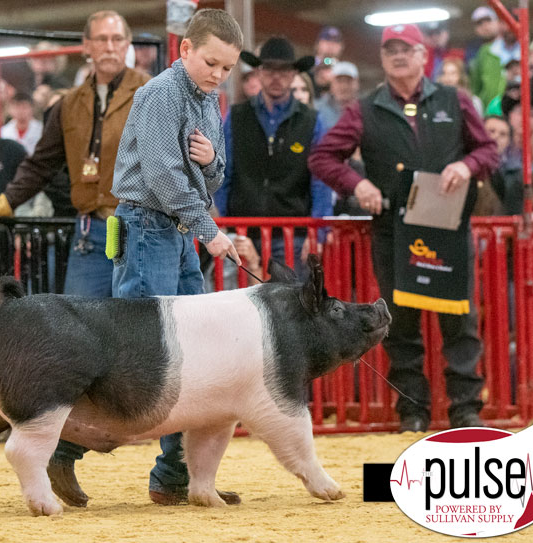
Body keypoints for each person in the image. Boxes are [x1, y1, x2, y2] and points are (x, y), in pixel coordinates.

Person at [0, 10, 150, 504]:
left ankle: (173, 469)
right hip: (90, 233)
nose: (110, 46)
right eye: (102, 39)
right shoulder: (68, 104)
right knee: (69, 352)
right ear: (85, 46)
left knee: (152, 346)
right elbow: (42, 161)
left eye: (119, 38)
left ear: (128, 45)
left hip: (141, 229)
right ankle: (63, 457)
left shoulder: (153, 92)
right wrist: (9, 200)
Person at [308, 23, 499, 432]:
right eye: (390, 49)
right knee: (402, 325)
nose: (398, 55)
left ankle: (466, 409)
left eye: (406, 48)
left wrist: (466, 165)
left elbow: (488, 150)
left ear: (422, 55)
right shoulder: (364, 108)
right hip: (392, 231)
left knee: (460, 323)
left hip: (446, 229)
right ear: (382, 58)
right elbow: (322, 157)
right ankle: (412, 410)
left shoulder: (455, 99)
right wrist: (358, 183)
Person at [110, 8, 243, 505]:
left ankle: (173, 475)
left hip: (175, 230)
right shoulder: (161, 94)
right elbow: (165, 176)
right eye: (211, 62)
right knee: (144, 354)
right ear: (184, 49)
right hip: (147, 226)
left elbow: (213, 173)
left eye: (227, 68)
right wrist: (209, 230)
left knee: (191, 357)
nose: (218, 75)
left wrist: (211, 162)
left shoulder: (210, 100)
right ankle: (64, 449)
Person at [215, 36, 333, 278]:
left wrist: (316, 232)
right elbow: (223, 171)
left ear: (293, 75)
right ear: (259, 72)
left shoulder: (310, 120)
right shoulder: (237, 116)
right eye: (269, 69)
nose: (276, 76)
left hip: (294, 234)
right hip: (244, 231)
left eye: (284, 70)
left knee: (289, 309)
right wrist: (228, 223)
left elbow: (320, 179)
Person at [315, 61, 359, 129]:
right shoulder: (317, 108)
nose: (344, 86)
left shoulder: (365, 109)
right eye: (339, 81)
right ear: (331, 83)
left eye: (348, 81)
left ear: (357, 84)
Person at [1, 92, 43, 156]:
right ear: (10, 109)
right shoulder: (4, 131)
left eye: (24, 107)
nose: (20, 111)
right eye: (17, 107)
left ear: (32, 108)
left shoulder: (42, 130)